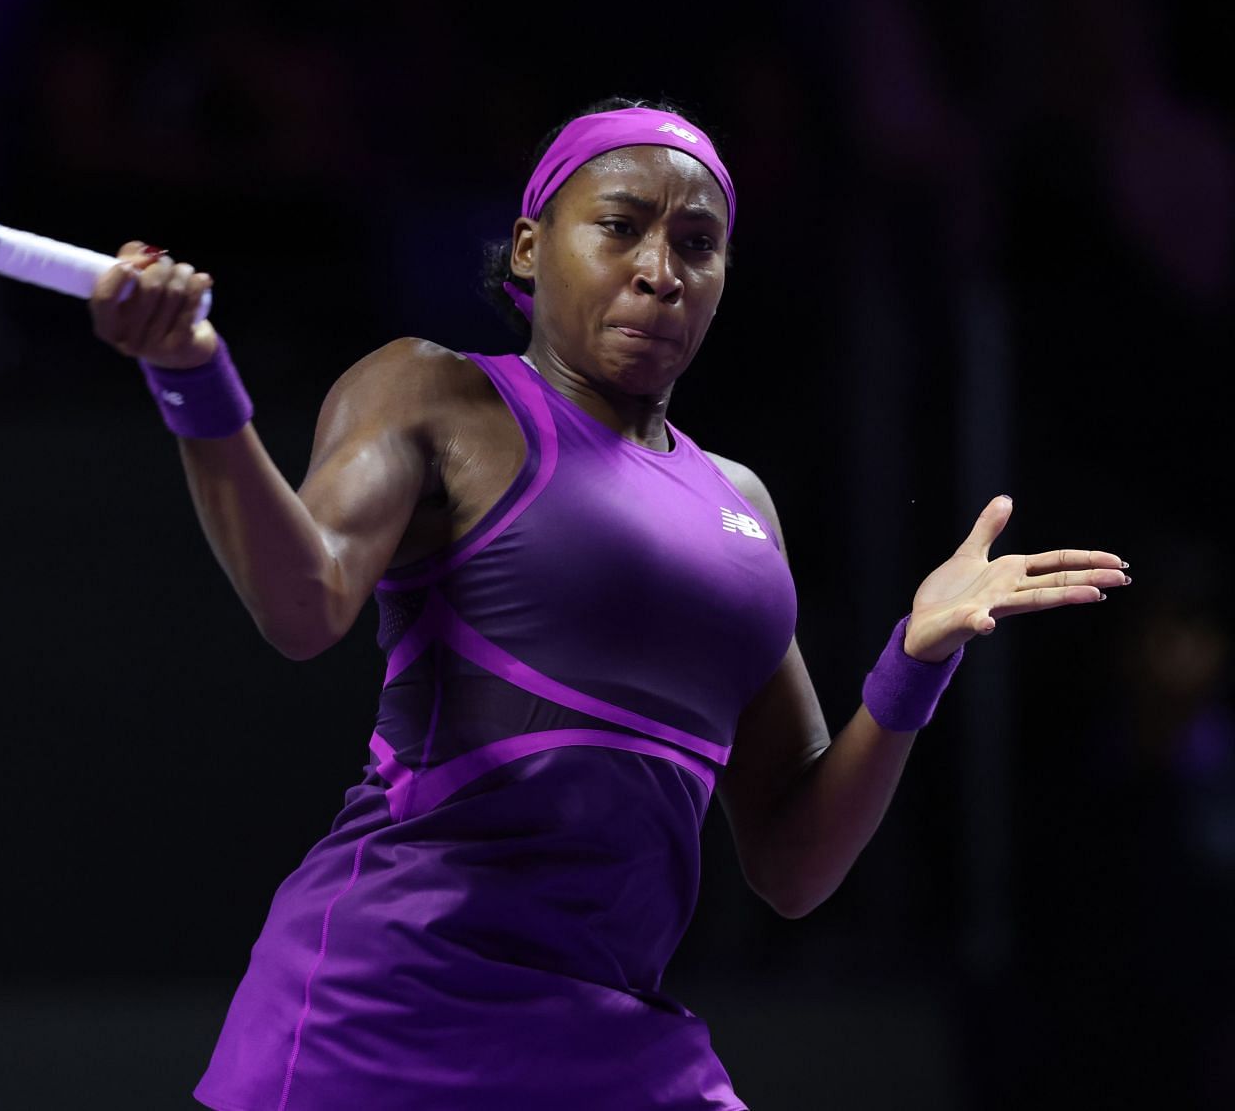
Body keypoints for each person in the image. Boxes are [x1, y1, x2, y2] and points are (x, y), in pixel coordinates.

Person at [87, 97, 1129, 1110]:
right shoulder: (434, 393)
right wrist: (197, 384)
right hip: (386, 1010)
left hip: (616, 1039)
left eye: (697, 244)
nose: (659, 272)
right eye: (621, 228)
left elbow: (796, 861)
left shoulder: (742, 507)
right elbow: (303, 603)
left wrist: (912, 661)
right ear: (532, 250)